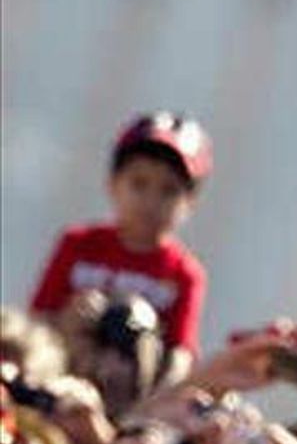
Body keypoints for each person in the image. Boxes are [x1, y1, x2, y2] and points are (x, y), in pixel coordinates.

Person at [29, 112, 212, 377]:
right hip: (60, 378)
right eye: (139, 184)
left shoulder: (184, 274)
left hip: (134, 392)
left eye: (169, 190)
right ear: (113, 185)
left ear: (190, 203)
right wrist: (69, 321)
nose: (151, 201)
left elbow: (179, 359)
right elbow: (36, 321)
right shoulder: (78, 244)